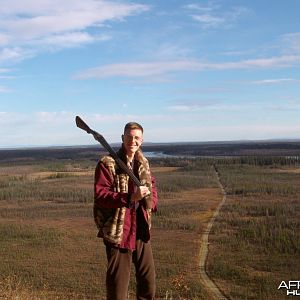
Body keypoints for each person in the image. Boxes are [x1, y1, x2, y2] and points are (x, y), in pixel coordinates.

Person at [94, 121, 158, 300]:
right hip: (119, 233)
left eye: (137, 137)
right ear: (123, 138)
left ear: (142, 141)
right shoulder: (107, 163)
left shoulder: (143, 163)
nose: (133, 141)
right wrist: (130, 197)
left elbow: (151, 185)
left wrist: (151, 202)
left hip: (141, 231)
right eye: (129, 137)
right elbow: (101, 195)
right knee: (118, 290)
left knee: (148, 284)